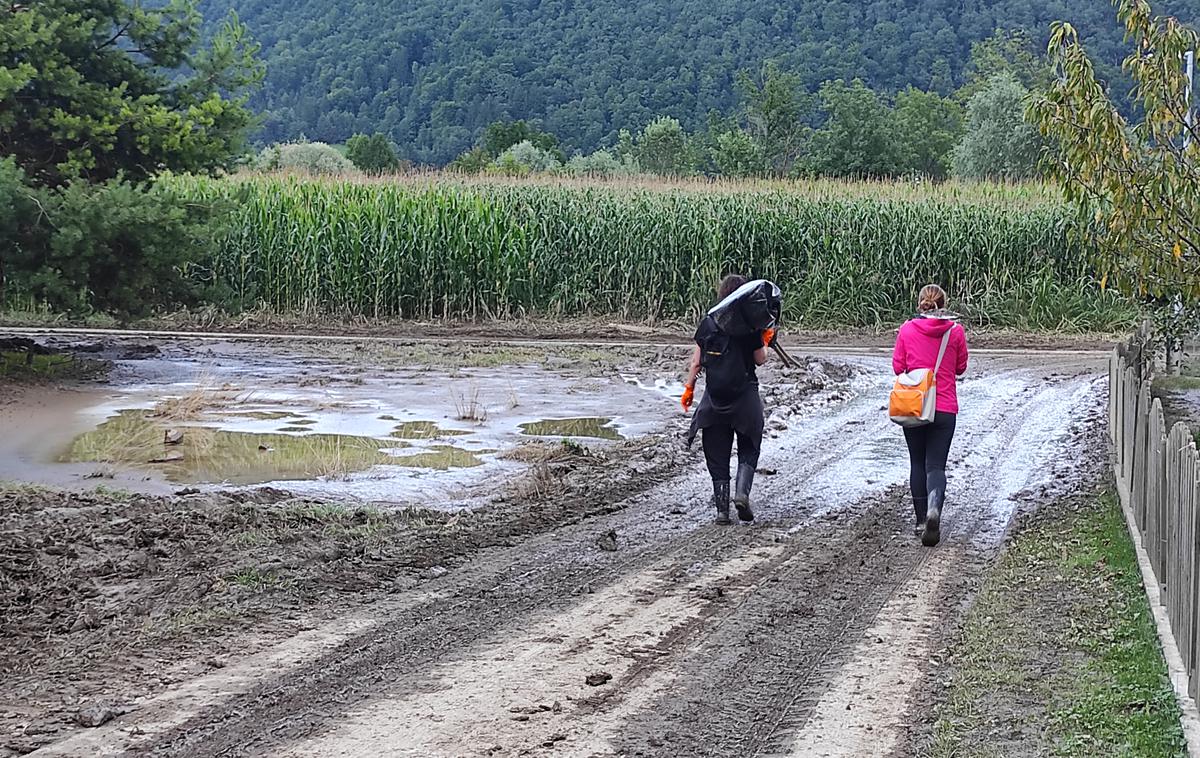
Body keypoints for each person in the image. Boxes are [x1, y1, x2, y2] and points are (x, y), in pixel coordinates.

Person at [681, 274, 772, 524]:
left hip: (715, 400)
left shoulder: (708, 323)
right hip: (745, 400)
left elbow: (697, 362)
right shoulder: (750, 325)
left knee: (717, 454)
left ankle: (722, 511)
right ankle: (741, 494)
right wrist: (764, 339)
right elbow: (760, 359)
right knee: (749, 445)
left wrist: (689, 389)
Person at [892, 284, 969, 547]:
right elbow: (960, 368)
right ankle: (935, 509)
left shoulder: (906, 329)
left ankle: (921, 521)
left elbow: (898, 367)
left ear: (920, 303)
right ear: (943, 305)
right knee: (936, 466)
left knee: (917, 462)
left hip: (914, 405)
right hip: (945, 406)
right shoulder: (956, 332)